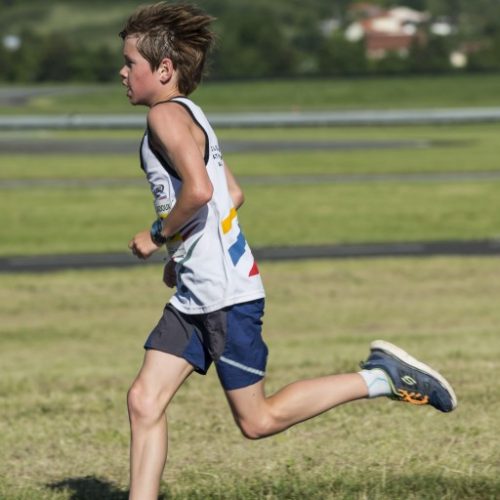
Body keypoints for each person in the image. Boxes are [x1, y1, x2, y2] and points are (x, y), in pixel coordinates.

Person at [119, 3, 457, 499]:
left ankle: (382, 378)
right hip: (198, 292)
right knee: (144, 401)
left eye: (130, 63)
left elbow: (201, 192)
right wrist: (183, 256)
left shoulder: (164, 116)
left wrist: (157, 235)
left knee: (258, 420)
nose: (123, 72)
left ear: (164, 69)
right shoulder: (191, 114)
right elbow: (232, 193)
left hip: (224, 297)